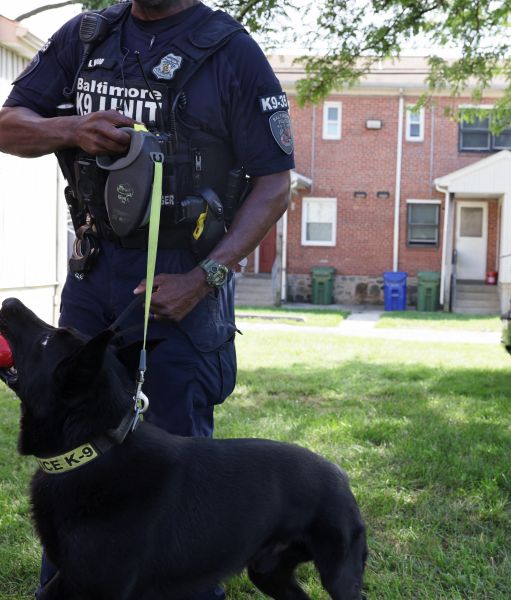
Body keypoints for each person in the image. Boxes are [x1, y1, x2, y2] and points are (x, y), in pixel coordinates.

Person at [0, 0, 293, 598]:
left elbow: (275, 184)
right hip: (93, 276)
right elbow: (8, 124)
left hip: (182, 281)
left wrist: (206, 277)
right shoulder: (86, 36)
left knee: (178, 479)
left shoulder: (230, 52)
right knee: (72, 458)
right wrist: (71, 129)